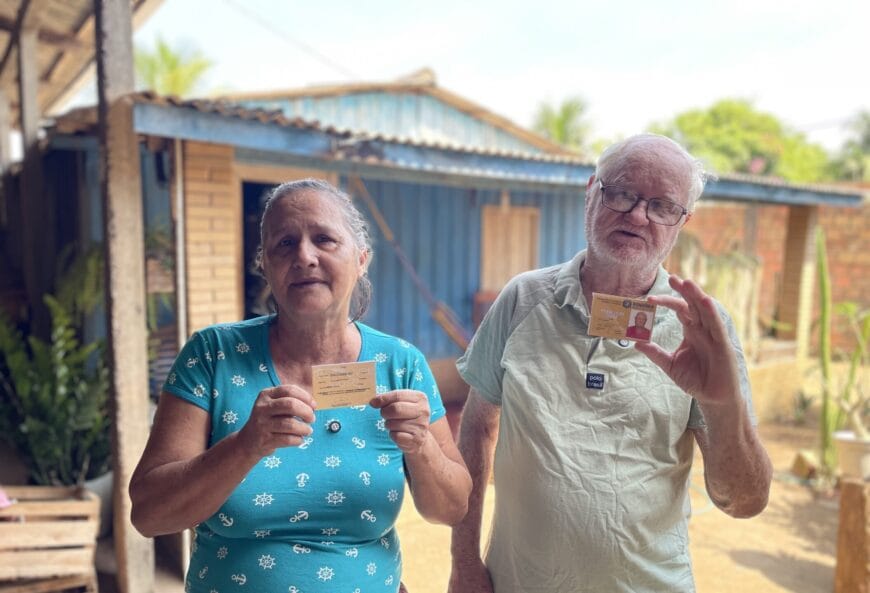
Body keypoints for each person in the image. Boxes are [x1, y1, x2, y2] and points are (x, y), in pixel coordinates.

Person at [449, 134, 772, 593]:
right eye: (621, 193)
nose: (638, 215)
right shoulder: (523, 299)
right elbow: (478, 429)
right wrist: (464, 561)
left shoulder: (701, 328)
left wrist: (722, 405)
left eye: (662, 206)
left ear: (682, 221)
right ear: (591, 191)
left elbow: (743, 502)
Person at [130, 179, 471, 593]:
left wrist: (422, 446)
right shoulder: (213, 356)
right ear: (265, 266)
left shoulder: (400, 364)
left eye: (324, 239)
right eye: (285, 244)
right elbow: (148, 514)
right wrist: (245, 445)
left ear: (361, 259)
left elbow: (453, 508)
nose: (304, 256)